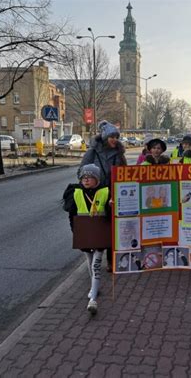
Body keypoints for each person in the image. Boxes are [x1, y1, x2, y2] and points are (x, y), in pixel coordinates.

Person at [62, 164, 111, 315]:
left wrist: (110, 206)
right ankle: (94, 287)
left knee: (96, 264)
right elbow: (72, 215)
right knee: (89, 262)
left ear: (97, 179)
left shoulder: (106, 192)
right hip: (84, 234)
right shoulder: (75, 192)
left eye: (90, 177)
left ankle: (93, 299)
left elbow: (110, 216)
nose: (86, 180)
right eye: (84, 177)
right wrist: (76, 232)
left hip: (99, 233)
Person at [79, 120, 127, 271]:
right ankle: (95, 262)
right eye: (111, 136)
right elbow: (81, 172)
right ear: (105, 137)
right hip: (97, 195)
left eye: (116, 137)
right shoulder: (92, 153)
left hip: (114, 195)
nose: (114, 140)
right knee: (99, 228)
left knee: (113, 228)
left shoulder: (119, 154)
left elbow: (125, 173)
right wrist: (90, 183)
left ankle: (111, 261)